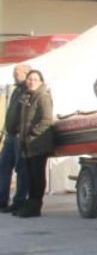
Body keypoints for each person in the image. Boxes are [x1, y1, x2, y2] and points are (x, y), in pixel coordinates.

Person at [15, 68, 54, 218]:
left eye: (35, 79)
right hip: (27, 143)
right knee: (29, 175)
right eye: (29, 79)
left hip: (38, 143)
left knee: (37, 175)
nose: (31, 82)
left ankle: (36, 205)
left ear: (41, 82)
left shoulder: (42, 97)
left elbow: (46, 120)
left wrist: (32, 133)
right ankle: (30, 203)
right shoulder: (27, 96)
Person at [0, 63, 31, 213]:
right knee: (3, 167)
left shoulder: (28, 90)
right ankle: (2, 200)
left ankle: (19, 201)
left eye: (16, 72)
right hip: (10, 135)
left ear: (26, 73)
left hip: (20, 136)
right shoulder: (16, 90)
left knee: (21, 169)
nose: (14, 74)